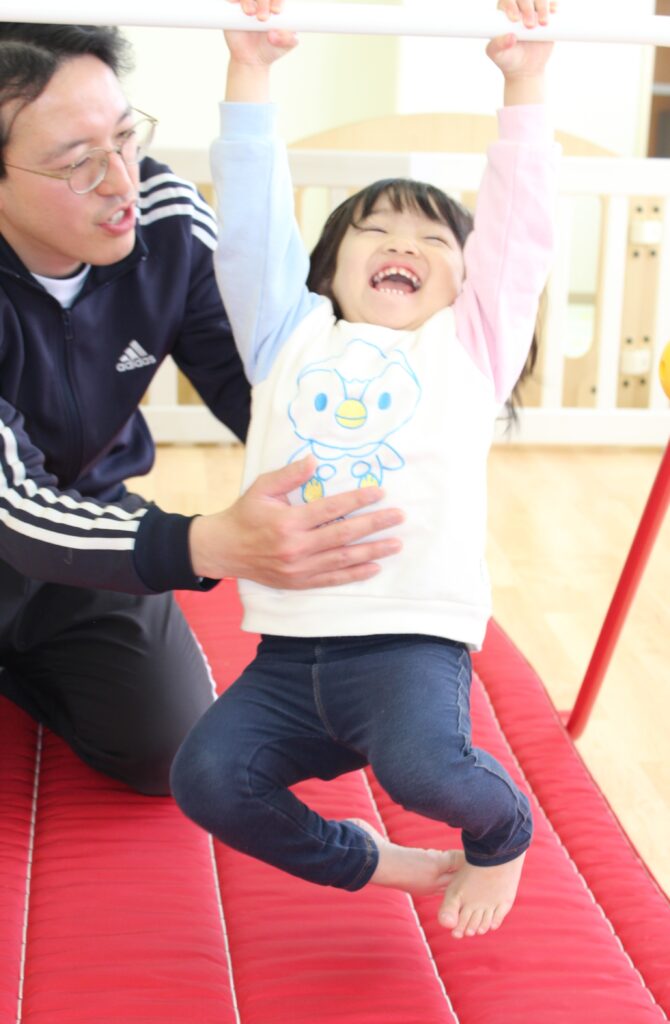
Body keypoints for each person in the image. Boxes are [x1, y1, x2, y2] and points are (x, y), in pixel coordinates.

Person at [170, 0, 559, 939]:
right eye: (375, 230)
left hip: (408, 646)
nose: (402, 245)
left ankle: (504, 831)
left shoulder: (465, 352)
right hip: (288, 651)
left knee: (424, 774)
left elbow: (517, 237)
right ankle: (384, 863)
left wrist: (526, 83)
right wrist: (251, 70)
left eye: (433, 240)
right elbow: (252, 217)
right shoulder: (287, 336)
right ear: (327, 269)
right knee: (207, 779)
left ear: (462, 280)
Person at [0, 22, 403, 795]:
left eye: (126, 137)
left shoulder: (166, 219)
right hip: (12, 520)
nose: (122, 182)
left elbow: (266, 388)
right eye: (79, 164)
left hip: (84, 529)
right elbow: (11, 506)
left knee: (171, 748)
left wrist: (371, 437)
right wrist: (208, 543)